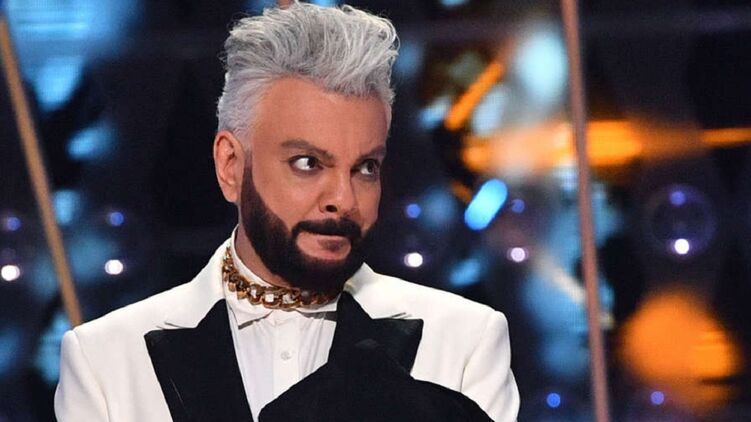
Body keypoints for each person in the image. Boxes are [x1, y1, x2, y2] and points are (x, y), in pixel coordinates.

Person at [54, 2, 519, 421]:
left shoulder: (464, 340)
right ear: (230, 165)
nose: (344, 199)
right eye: (308, 163)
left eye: (365, 168)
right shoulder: (106, 362)